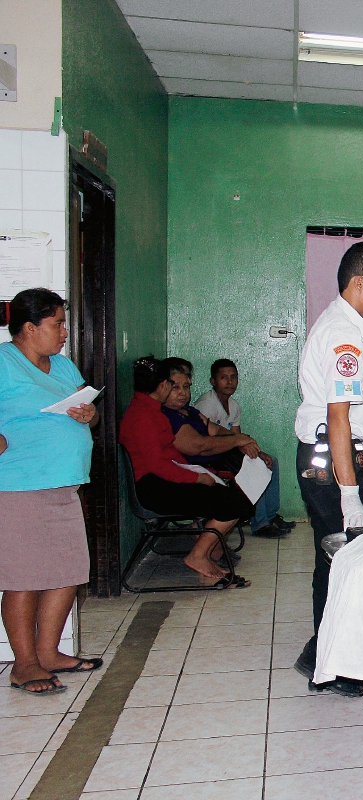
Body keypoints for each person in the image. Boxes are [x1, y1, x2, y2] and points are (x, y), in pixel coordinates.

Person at [293, 241, 363, 697]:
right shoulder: (345, 334)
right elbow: (337, 418)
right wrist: (349, 492)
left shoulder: (356, 324)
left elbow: (348, 415)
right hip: (330, 465)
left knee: (332, 559)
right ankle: (341, 661)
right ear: (359, 284)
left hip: (330, 457)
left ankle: (325, 662)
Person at [0, 288, 103, 694]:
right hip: (20, 486)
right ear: (29, 328)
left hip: (64, 485)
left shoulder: (61, 365)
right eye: (57, 323)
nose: (64, 332)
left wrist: (89, 414)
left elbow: (85, 412)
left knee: (68, 571)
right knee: (24, 577)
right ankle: (24, 664)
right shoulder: (4, 363)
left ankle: (48, 652)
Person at [119, 356, 253, 582]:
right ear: (163, 385)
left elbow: (170, 457)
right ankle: (199, 555)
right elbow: (158, 465)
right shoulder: (143, 415)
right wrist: (197, 479)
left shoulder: (149, 410)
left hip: (163, 479)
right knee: (233, 503)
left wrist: (203, 474)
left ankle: (209, 553)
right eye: (172, 384)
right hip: (154, 487)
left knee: (233, 497)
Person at [167, 359, 291, 537]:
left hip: (222, 452)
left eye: (233, 377)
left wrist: (249, 445)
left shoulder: (232, 406)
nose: (229, 382)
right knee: (256, 465)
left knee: (268, 460)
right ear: (213, 381)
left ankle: (270, 516)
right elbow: (205, 441)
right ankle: (260, 522)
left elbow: (232, 434)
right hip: (210, 456)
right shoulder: (206, 404)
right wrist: (241, 444)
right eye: (223, 377)